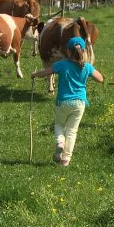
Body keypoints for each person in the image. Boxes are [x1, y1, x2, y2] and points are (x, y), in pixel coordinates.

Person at [31, 36, 104, 166]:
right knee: (72, 131)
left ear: (68, 51)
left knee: (59, 125)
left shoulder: (62, 64)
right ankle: (65, 159)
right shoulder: (86, 67)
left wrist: (35, 75)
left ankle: (60, 142)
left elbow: (46, 72)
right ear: (83, 50)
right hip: (80, 103)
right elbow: (100, 79)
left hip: (63, 101)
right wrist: (89, 71)